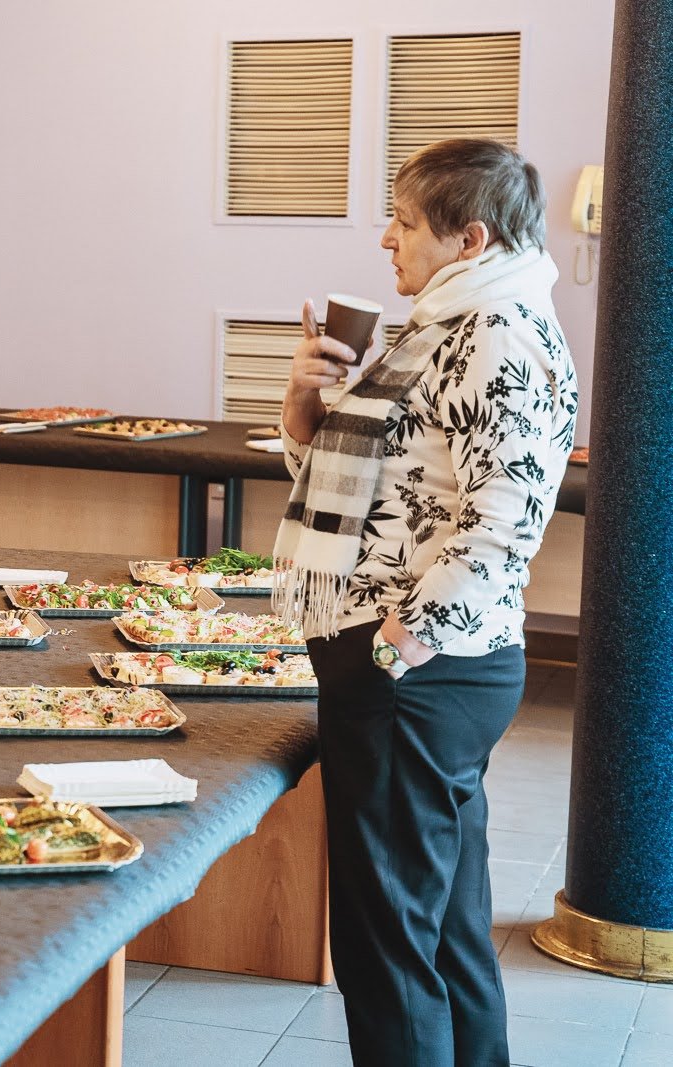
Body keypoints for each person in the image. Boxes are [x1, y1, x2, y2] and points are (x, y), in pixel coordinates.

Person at [276, 138, 576, 1067]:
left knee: (388, 947)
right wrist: (304, 408)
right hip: (418, 667)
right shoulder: (448, 320)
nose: (386, 239)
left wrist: (399, 644)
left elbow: (507, 517)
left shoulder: (497, 333)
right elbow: (383, 487)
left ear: (470, 238)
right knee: (442, 930)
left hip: (417, 672)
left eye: (404, 223)